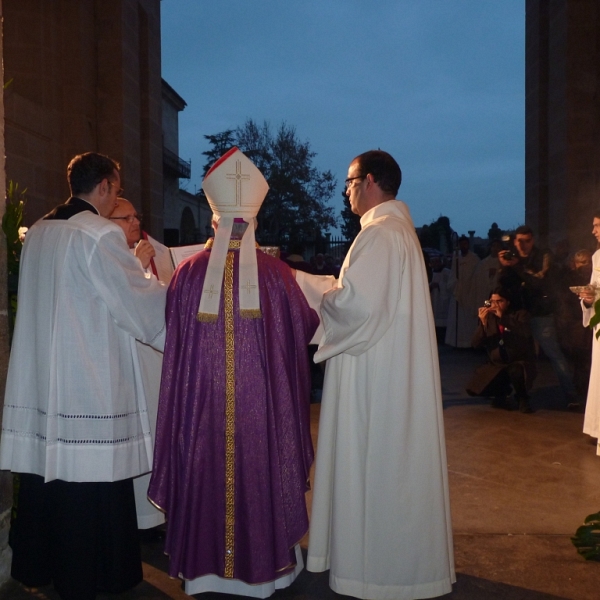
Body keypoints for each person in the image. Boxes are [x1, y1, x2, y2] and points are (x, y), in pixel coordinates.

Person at [148, 147, 319, 597]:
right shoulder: (279, 275)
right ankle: (268, 570)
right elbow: (305, 327)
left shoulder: (186, 274)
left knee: (203, 459)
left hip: (201, 406)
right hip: (260, 410)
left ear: (213, 219)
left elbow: (173, 337)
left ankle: (204, 572)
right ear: (254, 219)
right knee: (261, 462)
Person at [0, 152, 167, 600]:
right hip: (86, 377)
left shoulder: (38, 231)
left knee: (49, 478)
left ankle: (40, 565)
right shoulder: (98, 234)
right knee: (90, 482)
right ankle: (93, 576)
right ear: (109, 186)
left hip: (43, 378)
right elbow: (135, 302)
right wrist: (180, 304)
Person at [295, 150, 455, 599]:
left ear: (369, 182)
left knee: (378, 464)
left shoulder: (382, 235)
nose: (345, 191)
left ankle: (376, 570)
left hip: (376, 377)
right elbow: (362, 298)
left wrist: (303, 285)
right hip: (387, 367)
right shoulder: (392, 232)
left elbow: (356, 307)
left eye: (348, 182)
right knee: (391, 467)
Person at [108, 197, 174, 531]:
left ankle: (161, 509)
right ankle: (139, 516)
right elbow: (126, 300)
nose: (135, 222)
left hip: (160, 362)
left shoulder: (157, 250)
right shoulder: (111, 255)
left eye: (137, 216)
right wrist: (136, 266)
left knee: (160, 433)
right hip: (131, 361)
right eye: (125, 217)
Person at [498, 225, 579, 406]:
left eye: (526, 241)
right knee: (518, 356)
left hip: (540, 313)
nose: (522, 245)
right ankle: (519, 395)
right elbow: (503, 284)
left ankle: (571, 395)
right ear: (514, 241)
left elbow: (538, 281)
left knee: (554, 354)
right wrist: (504, 268)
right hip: (519, 315)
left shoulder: (543, 256)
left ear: (532, 240)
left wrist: (516, 266)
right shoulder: (512, 257)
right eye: (519, 240)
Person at [467, 287, 537, 413]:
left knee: (515, 370)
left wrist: (503, 318)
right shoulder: (489, 318)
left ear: (508, 302)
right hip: (497, 364)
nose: (495, 305)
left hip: (517, 361)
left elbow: (525, 332)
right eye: (492, 302)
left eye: (500, 301)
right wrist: (483, 324)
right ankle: (501, 393)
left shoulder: (520, 314)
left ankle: (522, 398)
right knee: (475, 387)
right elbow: (475, 344)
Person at [578, 213, 600, 452]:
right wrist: (587, 299)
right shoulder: (597, 257)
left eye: (597, 225)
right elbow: (594, 291)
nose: (593, 230)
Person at [445, 234, 480, 347]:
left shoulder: (474, 259)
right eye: (461, 244)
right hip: (457, 292)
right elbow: (452, 275)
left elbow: (476, 276)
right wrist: (455, 283)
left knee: (467, 320)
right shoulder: (456, 258)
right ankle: (456, 342)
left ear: (468, 245)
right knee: (457, 319)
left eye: (465, 244)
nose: (463, 246)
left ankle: (469, 342)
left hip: (469, 292)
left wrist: (467, 284)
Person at [429, 254, 452, 343]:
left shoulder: (446, 272)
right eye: (433, 262)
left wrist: (439, 285)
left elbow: (449, 285)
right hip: (434, 298)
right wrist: (431, 285)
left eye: (437, 261)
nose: (435, 264)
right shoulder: (430, 272)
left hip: (443, 299)